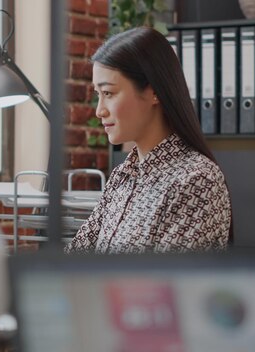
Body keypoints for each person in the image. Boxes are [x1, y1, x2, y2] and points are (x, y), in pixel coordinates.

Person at [64, 27, 232, 254]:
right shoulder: (123, 176)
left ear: (153, 92)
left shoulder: (197, 180)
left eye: (109, 93)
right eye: (98, 95)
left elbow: (165, 285)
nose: (99, 111)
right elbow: (75, 255)